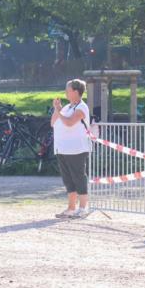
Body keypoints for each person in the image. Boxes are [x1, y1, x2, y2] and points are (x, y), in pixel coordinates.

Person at [50, 79, 92, 219]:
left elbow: (69, 122)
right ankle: (71, 208)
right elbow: (53, 122)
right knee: (68, 179)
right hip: (62, 149)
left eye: (67, 90)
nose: (65, 92)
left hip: (76, 149)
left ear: (75, 91)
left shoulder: (82, 107)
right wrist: (58, 109)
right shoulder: (67, 107)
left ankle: (83, 208)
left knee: (79, 177)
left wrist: (58, 111)